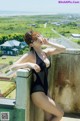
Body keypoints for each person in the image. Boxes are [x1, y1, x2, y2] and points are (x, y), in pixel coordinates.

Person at [10, 30, 66, 121]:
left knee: (49, 118)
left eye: (39, 36)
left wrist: (48, 42)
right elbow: (13, 67)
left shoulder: (45, 52)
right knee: (60, 113)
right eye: (35, 39)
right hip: (37, 92)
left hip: (45, 90)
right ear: (31, 44)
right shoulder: (30, 55)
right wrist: (29, 64)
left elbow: (63, 49)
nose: (39, 39)